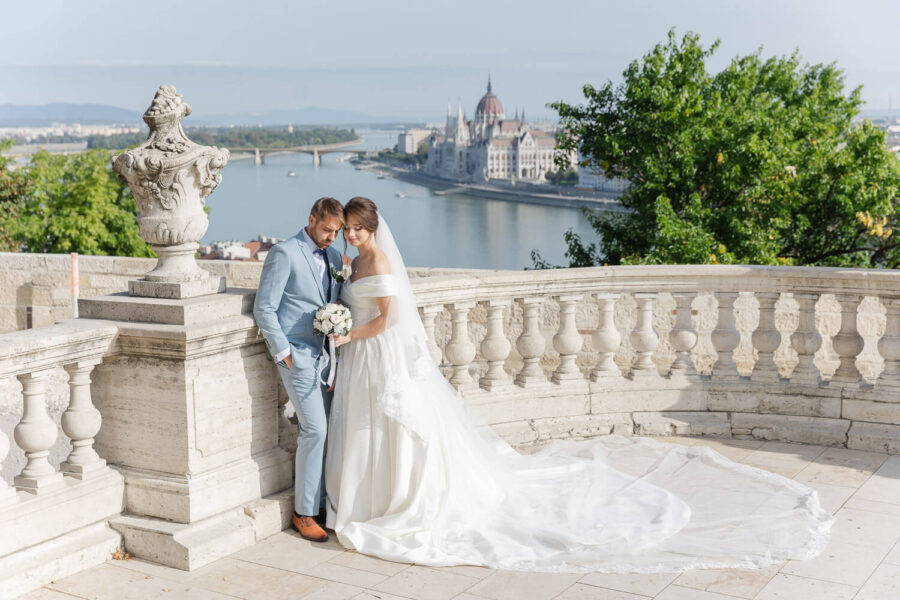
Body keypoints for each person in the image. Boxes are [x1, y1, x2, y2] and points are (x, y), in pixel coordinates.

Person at [324, 196, 832, 572]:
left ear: (371, 229)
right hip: (365, 355)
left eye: (354, 229)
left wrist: (347, 337)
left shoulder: (382, 260)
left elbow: (389, 321)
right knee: (371, 427)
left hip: (376, 350)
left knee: (393, 425)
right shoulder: (355, 261)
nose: (350, 236)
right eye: (345, 229)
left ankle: (397, 501)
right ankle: (369, 498)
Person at [253, 196, 346, 543]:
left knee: (329, 430)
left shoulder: (335, 258)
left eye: (336, 232)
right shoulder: (285, 253)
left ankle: (321, 504)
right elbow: (265, 309)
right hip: (297, 357)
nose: (330, 237)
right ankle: (303, 512)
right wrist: (285, 354)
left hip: (327, 359)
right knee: (315, 431)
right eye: (326, 229)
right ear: (311, 220)